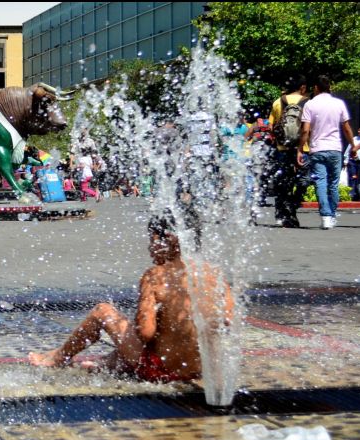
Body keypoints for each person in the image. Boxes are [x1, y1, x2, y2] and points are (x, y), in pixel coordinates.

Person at [28, 213, 234, 383]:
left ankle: (58, 357)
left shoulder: (156, 275)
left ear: (170, 239)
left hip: (162, 372)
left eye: (152, 240)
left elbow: (145, 332)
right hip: (202, 370)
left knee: (104, 312)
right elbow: (226, 322)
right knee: (145, 337)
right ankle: (107, 364)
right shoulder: (216, 275)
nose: (149, 248)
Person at [298, 75, 358, 230]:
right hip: (335, 150)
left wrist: (300, 149)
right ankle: (331, 215)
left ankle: (325, 216)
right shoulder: (338, 104)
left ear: (316, 88)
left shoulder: (310, 104)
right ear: (329, 87)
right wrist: (353, 145)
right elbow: (346, 127)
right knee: (333, 184)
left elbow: (305, 130)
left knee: (320, 182)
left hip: (317, 149)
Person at [268, 76, 310, 228]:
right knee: (303, 181)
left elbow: (271, 127)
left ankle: (282, 213)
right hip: (303, 149)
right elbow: (309, 128)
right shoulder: (308, 103)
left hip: (282, 148)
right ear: (302, 87)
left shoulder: (278, 102)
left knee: (282, 182)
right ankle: (292, 207)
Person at [343, 126, 360, 201]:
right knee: (352, 178)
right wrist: (345, 161)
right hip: (353, 162)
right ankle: (352, 194)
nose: (359, 132)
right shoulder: (354, 139)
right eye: (359, 130)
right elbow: (348, 150)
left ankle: (358, 194)